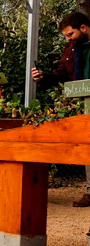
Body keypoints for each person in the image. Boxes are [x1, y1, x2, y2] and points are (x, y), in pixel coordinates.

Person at [32, 11, 90, 207]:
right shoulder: (72, 49)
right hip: (84, 103)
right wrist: (43, 76)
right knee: (87, 146)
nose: (68, 39)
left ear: (83, 28)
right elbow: (63, 74)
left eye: (70, 34)